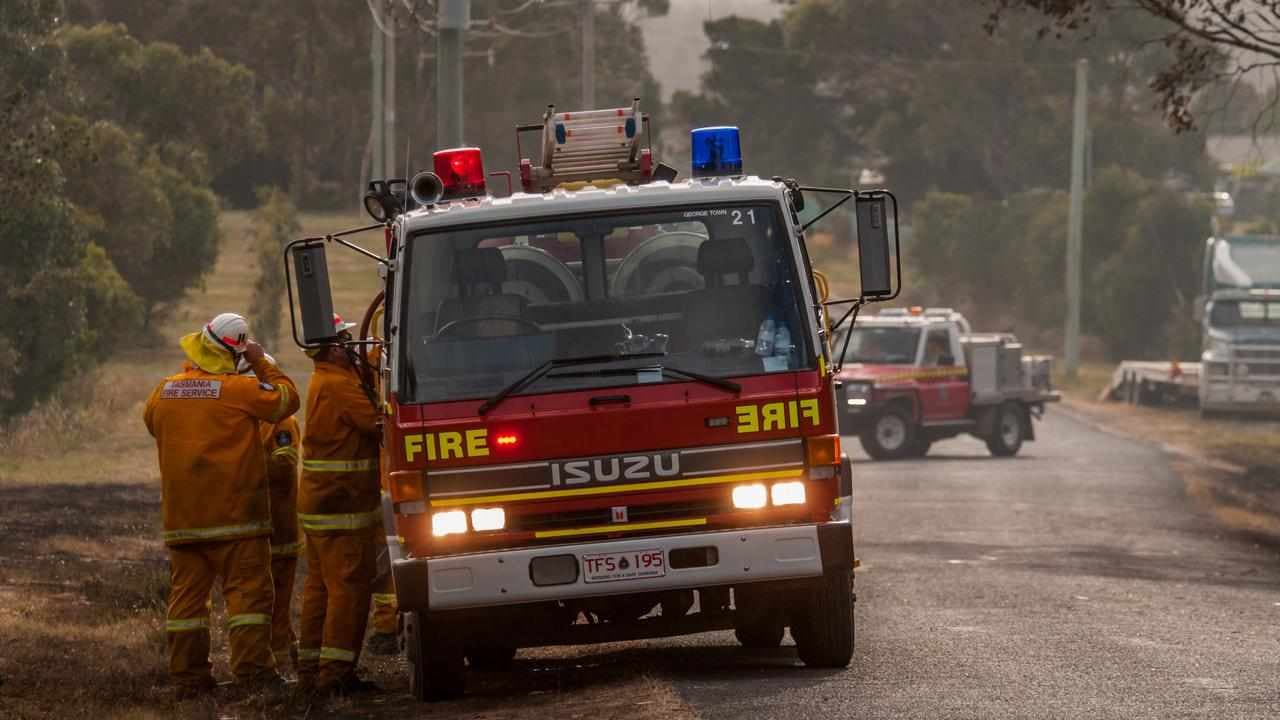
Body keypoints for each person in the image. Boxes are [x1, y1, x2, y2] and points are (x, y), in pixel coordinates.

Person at [143, 313, 299, 699]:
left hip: (184, 523)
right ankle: (253, 674)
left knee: (187, 606)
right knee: (248, 600)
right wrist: (262, 361)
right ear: (236, 352)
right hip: (237, 522)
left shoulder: (163, 391)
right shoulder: (239, 390)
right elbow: (287, 399)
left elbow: (152, 423)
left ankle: (189, 678)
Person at [296, 313, 383, 696]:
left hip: (321, 503)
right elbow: (377, 422)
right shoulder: (339, 385)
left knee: (320, 587)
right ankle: (335, 675)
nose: (354, 347)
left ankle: (311, 668)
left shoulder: (324, 380)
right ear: (333, 348)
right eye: (347, 340)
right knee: (348, 589)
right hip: (341, 505)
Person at [238, 353, 303, 672]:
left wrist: (242, 469)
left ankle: (278, 655)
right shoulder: (242, 418)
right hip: (255, 525)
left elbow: (285, 463)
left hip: (280, 528)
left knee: (277, 596)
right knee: (265, 595)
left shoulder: (281, 422)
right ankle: (288, 647)